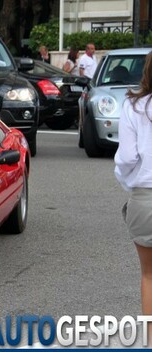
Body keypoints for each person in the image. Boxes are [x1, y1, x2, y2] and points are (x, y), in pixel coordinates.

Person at [115, 51, 152, 330]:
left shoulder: (134, 106)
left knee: (149, 275)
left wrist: (129, 182)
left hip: (145, 196)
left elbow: (127, 157)